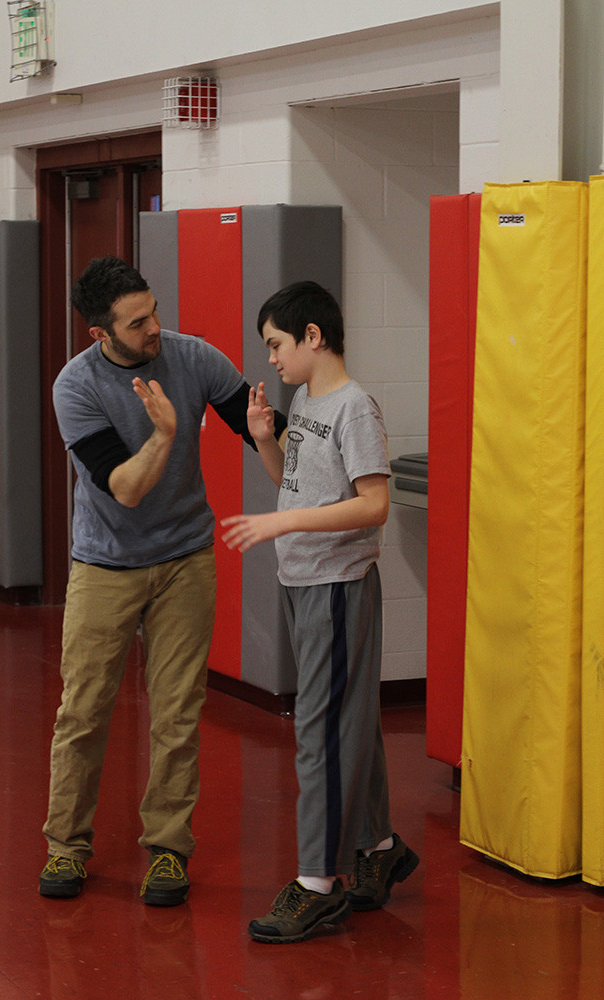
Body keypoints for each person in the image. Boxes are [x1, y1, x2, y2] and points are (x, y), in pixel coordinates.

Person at [39, 255, 286, 906]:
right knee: (83, 712)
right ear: (101, 333)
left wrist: (274, 441)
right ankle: (66, 846)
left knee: (177, 713)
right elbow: (122, 488)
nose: (154, 326)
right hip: (104, 563)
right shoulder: (77, 386)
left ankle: (169, 851)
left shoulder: (194, 359)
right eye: (138, 320)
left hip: (183, 559)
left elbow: (265, 436)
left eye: (153, 310)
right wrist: (166, 433)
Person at [221, 280, 419, 943]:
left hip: (336, 586)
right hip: (303, 581)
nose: (271, 359)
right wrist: (262, 440)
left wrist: (284, 527)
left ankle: (318, 882)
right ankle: (378, 846)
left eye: (276, 344)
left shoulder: (354, 409)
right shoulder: (304, 400)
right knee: (349, 720)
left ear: (312, 336)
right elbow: (295, 484)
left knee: (321, 731)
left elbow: (371, 504)